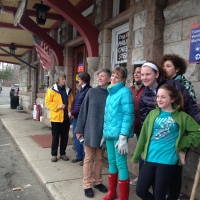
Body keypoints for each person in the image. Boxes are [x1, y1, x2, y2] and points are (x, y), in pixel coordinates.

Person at [132, 84, 200, 200]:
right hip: (150, 158)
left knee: (159, 194)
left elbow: (197, 132)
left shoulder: (182, 116)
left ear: (172, 99)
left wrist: (182, 143)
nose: (159, 99)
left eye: (163, 97)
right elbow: (143, 136)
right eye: (158, 96)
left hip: (168, 160)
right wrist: (136, 156)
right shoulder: (152, 114)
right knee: (140, 190)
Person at [160, 54, 197, 200]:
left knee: (176, 166)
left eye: (168, 66)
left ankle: (173, 193)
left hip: (179, 130)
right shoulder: (162, 84)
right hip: (164, 130)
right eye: (163, 66)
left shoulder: (185, 85)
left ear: (177, 69)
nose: (164, 68)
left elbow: (191, 107)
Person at [75, 69, 111, 198]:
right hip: (90, 130)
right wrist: (79, 130)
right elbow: (83, 111)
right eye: (99, 76)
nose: (100, 78)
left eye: (103, 76)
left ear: (109, 79)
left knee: (100, 158)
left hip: (103, 132)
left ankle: (97, 181)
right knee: (89, 158)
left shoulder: (110, 94)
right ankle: (87, 184)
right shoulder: (92, 92)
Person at [101, 67, 134, 200]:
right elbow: (107, 116)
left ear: (123, 80)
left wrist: (123, 136)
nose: (113, 79)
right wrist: (104, 133)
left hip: (119, 135)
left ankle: (123, 196)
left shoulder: (125, 92)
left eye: (117, 77)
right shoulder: (110, 93)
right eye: (113, 76)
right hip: (109, 134)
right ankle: (112, 192)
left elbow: (128, 115)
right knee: (112, 162)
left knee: (121, 164)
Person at [45, 71, 73, 162]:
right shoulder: (51, 90)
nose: (64, 81)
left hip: (66, 118)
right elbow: (48, 103)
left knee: (65, 136)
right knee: (55, 136)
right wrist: (58, 106)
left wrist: (70, 112)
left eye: (65, 79)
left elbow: (71, 103)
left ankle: (62, 153)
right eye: (62, 79)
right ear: (58, 80)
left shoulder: (69, 90)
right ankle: (54, 154)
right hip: (56, 118)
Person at [68, 72, 91, 165]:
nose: (78, 81)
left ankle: (84, 158)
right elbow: (74, 101)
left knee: (82, 138)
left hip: (83, 117)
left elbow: (83, 105)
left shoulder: (89, 90)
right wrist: (71, 111)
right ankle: (79, 156)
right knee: (76, 136)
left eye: (80, 79)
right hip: (76, 117)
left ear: (84, 80)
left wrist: (73, 112)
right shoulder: (79, 89)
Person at [129, 63, 145, 186]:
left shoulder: (147, 89)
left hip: (145, 126)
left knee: (144, 153)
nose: (136, 74)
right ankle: (142, 177)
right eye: (135, 72)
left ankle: (144, 178)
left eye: (139, 72)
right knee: (140, 153)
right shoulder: (131, 89)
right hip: (135, 126)